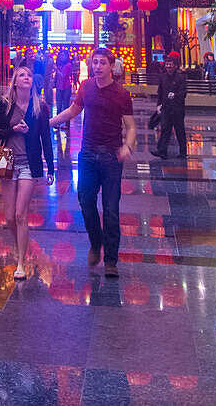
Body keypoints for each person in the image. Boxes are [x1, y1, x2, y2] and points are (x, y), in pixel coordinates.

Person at [51, 47, 136, 278]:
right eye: (94, 62)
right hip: (87, 154)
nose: (97, 66)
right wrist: (46, 123)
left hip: (111, 157)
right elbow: (71, 111)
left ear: (111, 66)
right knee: (85, 201)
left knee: (111, 209)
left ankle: (110, 261)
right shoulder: (86, 87)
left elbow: (130, 126)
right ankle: (95, 241)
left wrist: (127, 146)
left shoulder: (121, 93)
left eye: (102, 63)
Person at [0, 67, 55, 280]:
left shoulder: (40, 107)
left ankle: (20, 262)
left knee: (20, 214)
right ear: (15, 82)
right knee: (9, 216)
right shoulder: (5, 105)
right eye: (21, 75)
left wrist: (51, 168)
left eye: (29, 75)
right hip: (8, 163)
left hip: (29, 164)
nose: (26, 77)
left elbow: (46, 138)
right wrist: (14, 130)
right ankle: (20, 246)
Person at [151, 51, 187, 159]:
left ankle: (183, 152)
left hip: (177, 109)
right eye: (167, 65)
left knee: (180, 130)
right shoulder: (163, 77)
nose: (168, 67)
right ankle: (162, 151)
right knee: (165, 129)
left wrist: (175, 95)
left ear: (175, 66)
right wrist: (158, 105)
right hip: (166, 108)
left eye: (170, 65)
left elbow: (184, 92)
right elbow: (160, 92)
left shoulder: (181, 77)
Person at [54, 50, 75, 127]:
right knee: (58, 106)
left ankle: (67, 124)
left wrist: (56, 69)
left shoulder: (68, 64)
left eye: (64, 55)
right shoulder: (59, 64)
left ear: (67, 56)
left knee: (66, 106)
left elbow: (63, 75)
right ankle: (58, 123)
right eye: (61, 55)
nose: (62, 57)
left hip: (66, 87)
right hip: (59, 86)